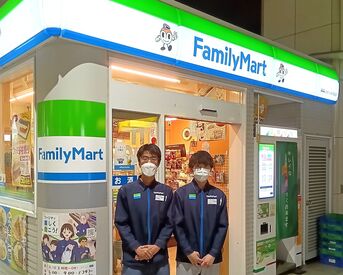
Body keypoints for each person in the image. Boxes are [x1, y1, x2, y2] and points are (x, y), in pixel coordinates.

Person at [115, 144, 173, 275]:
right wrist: (136, 247)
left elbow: (170, 223)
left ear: (159, 162)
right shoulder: (126, 191)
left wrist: (157, 246)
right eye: (145, 158)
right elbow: (121, 223)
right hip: (133, 260)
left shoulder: (166, 192)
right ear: (139, 161)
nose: (149, 162)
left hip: (159, 259)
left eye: (153, 158)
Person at [173, 150, 228, 275]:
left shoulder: (219, 196)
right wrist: (188, 251)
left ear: (211, 169)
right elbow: (177, 225)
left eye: (206, 167)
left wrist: (213, 253)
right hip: (186, 259)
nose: (202, 170)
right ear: (192, 169)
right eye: (198, 167)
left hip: (211, 260)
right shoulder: (181, 194)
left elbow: (222, 226)